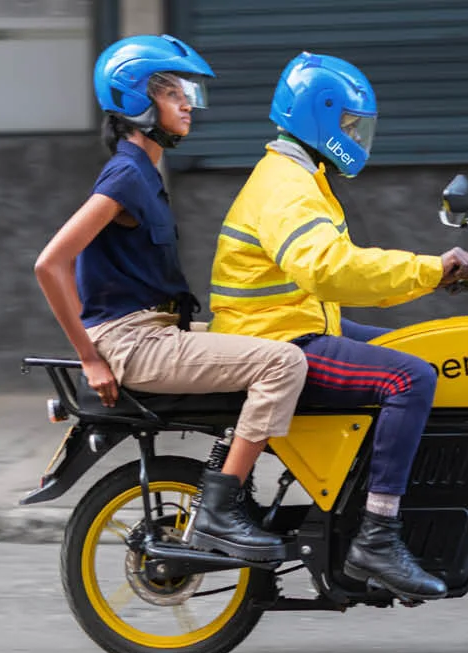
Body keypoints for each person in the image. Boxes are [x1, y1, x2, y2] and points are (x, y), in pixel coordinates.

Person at [206, 51, 468, 601]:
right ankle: (378, 533)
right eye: (350, 124)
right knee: (412, 378)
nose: (356, 135)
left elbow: (332, 273)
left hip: (294, 321)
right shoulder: (287, 186)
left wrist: (437, 276)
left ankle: (375, 495)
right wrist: (430, 269)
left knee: (420, 349)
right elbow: (331, 269)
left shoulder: (301, 176)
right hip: (276, 338)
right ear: (320, 117)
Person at [33, 34, 307, 562]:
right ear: (136, 99)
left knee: (280, 340)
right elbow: (51, 263)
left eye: (187, 91)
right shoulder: (126, 174)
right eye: (171, 91)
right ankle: (220, 513)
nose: (186, 102)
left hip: (159, 333)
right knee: (283, 364)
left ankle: (231, 487)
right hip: (133, 341)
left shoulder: (144, 172)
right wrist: (90, 357)